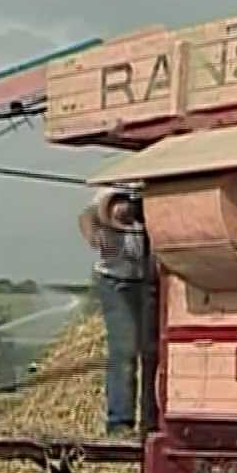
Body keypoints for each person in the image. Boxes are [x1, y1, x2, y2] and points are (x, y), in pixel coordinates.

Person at [78, 189, 159, 440]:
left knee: (153, 352)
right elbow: (88, 216)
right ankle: (120, 422)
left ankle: (152, 421)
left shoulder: (153, 182)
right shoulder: (113, 187)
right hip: (116, 280)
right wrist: (96, 233)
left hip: (152, 280)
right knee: (125, 350)